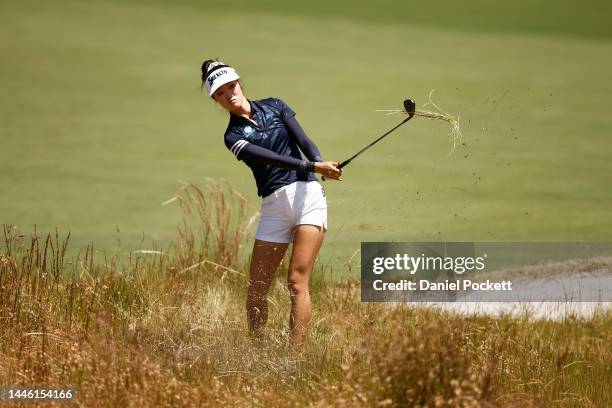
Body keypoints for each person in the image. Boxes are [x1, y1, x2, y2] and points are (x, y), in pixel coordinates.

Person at [201, 59, 342, 348]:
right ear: (216, 100)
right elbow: (269, 159)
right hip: (274, 206)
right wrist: (314, 166)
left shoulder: (276, 105)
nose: (230, 94)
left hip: (308, 198)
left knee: (296, 281)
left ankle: (294, 355)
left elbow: (304, 140)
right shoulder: (233, 137)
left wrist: (319, 163)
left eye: (231, 86)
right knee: (256, 289)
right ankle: (258, 349)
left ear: (239, 82)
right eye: (221, 93)